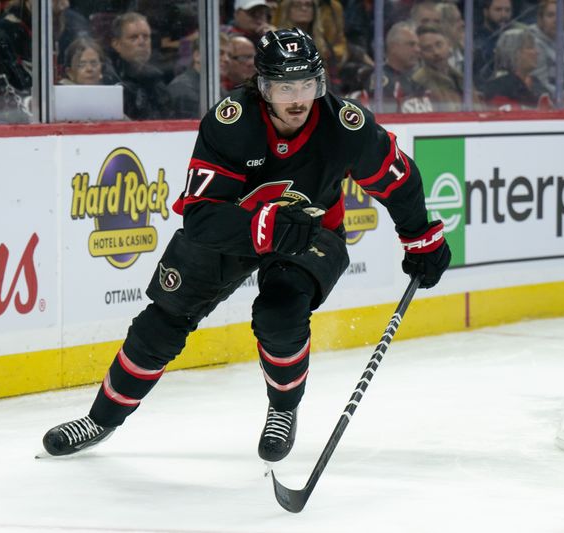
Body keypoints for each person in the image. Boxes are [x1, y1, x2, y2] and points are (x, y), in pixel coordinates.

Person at [41, 27, 451, 462]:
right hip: (232, 231)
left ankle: (283, 410)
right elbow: (200, 216)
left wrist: (419, 237)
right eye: (283, 86)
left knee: (279, 313)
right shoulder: (231, 123)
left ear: (321, 83)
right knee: (161, 322)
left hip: (312, 230)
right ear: (262, 86)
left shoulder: (344, 125)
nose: (297, 99)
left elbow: (398, 179)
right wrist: (263, 227)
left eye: (306, 84)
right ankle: (102, 419)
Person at [104, 11, 170, 120]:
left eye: (146, 37)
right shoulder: (109, 82)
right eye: (133, 37)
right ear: (116, 44)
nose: (142, 42)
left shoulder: (157, 81)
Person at [483, 27, 549, 110]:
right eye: (530, 47)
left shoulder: (535, 82)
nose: (536, 52)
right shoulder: (498, 86)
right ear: (514, 52)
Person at [412, 25, 475, 112]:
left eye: (439, 45)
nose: (436, 52)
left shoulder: (461, 78)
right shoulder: (419, 82)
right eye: (428, 49)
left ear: (449, 44)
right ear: (420, 54)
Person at [529, 0, 564, 95]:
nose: (556, 20)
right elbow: (539, 84)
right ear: (540, 20)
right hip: (548, 102)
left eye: (560, 15)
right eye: (550, 15)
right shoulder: (532, 43)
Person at [376, 20, 432, 113]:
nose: (418, 50)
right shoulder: (382, 79)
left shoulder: (419, 78)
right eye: (411, 44)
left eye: (418, 45)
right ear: (393, 47)